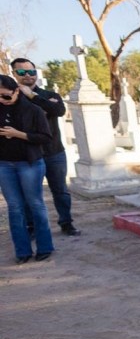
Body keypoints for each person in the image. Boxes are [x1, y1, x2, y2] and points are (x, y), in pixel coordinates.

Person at [11, 58, 80, 236]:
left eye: (31, 72)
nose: (27, 75)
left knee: (61, 191)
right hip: (28, 154)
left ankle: (66, 223)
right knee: (30, 195)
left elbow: (58, 111)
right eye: (21, 72)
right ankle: (32, 227)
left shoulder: (50, 95)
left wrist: (33, 96)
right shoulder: (11, 99)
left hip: (54, 152)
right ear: (14, 74)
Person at [0, 74, 54, 264]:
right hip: (4, 164)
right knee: (14, 208)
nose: (2, 101)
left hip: (29, 163)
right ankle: (22, 251)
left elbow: (46, 138)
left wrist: (18, 134)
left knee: (35, 205)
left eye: (6, 96)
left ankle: (45, 247)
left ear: (16, 91)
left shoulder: (33, 110)